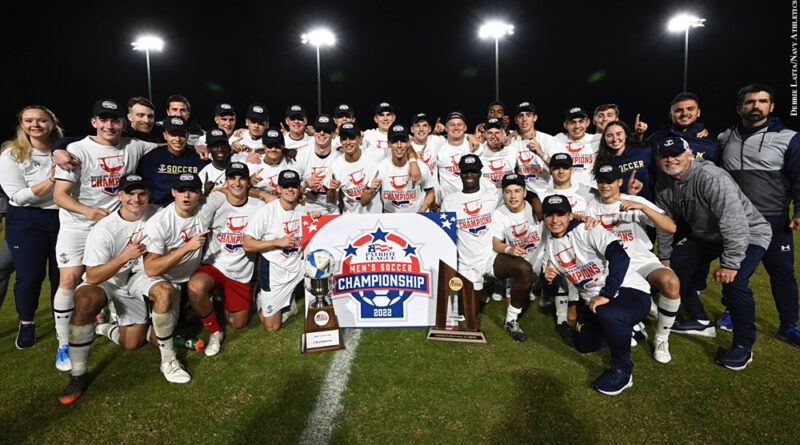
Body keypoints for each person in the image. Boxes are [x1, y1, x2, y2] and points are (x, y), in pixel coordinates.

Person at [52, 99, 158, 371]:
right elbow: (59, 196)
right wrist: (88, 211)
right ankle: (64, 343)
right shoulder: (76, 150)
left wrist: (200, 147)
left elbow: (167, 147)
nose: (110, 125)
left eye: (115, 120)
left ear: (124, 123)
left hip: (115, 226)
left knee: (116, 273)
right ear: (94, 122)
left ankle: (113, 320)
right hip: (79, 225)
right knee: (71, 278)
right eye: (104, 120)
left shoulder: (133, 145)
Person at [654, 136, 772, 370]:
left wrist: (730, 264)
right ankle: (699, 320)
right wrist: (665, 255)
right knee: (675, 270)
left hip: (749, 233)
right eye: (665, 156)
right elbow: (665, 222)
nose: (671, 160)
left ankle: (743, 345)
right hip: (706, 235)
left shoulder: (710, 177)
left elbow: (734, 223)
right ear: (658, 160)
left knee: (735, 284)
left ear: (689, 155)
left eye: (676, 154)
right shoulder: (663, 184)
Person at [57, 175, 158, 404]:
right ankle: (78, 373)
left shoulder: (158, 214)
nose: (136, 199)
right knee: (85, 301)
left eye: (141, 193)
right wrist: (124, 257)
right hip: (107, 281)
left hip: (135, 283)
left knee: (132, 344)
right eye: (130, 194)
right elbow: (92, 275)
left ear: (148, 195)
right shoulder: (105, 228)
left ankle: (103, 327)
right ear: (119, 196)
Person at [541, 194, 650, 396]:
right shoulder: (549, 246)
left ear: (570, 215)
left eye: (560, 214)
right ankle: (629, 328)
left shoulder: (587, 229)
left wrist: (607, 293)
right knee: (584, 345)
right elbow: (552, 291)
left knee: (607, 312)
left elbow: (620, 256)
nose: (555, 220)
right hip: (596, 302)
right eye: (549, 215)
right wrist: (548, 280)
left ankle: (623, 372)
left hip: (630, 291)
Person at [717, 83, 800, 346]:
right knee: (733, 270)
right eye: (750, 102)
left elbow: (799, 178)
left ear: (771, 106)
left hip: (774, 219)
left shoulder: (788, 138)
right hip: (736, 221)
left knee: (783, 274)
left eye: (762, 101)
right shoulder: (724, 138)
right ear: (739, 107)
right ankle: (732, 312)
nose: (756, 106)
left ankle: (788, 325)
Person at [587, 163, 680, 363]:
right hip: (612, 266)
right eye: (601, 181)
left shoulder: (635, 202)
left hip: (641, 260)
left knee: (671, 282)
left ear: (619, 182)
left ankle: (662, 338)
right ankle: (635, 321)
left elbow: (670, 227)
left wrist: (644, 208)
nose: (605, 185)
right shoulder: (591, 206)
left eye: (610, 181)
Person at [441, 155, 533, 342]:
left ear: (480, 173)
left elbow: (518, 190)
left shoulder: (492, 194)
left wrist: (536, 202)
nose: (469, 174)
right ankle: (479, 290)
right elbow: (445, 238)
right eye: (466, 171)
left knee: (524, 268)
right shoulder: (450, 202)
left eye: (473, 170)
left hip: (491, 258)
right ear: (460, 173)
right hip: (467, 264)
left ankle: (511, 320)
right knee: (471, 324)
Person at [129, 173, 210, 383]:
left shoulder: (203, 211)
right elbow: (150, 268)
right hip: (152, 277)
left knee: (158, 337)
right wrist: (187, 248)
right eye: (181, 190)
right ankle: (168, 361)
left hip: (180, 279)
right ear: (173, 192)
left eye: (192, 190)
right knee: (165, 294)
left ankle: (115, 325)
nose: (186, 195)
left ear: (200, 194)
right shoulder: (160, 222)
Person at [0, 105, 63, 349]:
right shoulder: (11, 154)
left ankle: (62, 322)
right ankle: (27, 323)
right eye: (29, 120)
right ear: (22, 124)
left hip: (61, 217)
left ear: (52, 123)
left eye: (41, 120)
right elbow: (17, 197)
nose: (35, 125)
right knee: (30, 276)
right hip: (26, 219)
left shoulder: (63, 149)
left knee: (62, 276)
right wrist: (51, 181)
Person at [188, 162, 264, 357]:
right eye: (232, 178)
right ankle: (215, 332)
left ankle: (231, 295)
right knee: (195, 288)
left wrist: (261, 194)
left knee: (238, 323)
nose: (237, 183)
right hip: (215, 265)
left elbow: (279, 206)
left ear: (248, 182)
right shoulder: (215, 202)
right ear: (226, 181)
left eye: (242, 178)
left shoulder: (258, 206)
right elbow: (193, 222)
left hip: (241, 272)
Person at [243, 169, 318, 332]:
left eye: (293, 186)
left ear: (299, 189)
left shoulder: (304, 210)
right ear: (279, 189)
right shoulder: (266, 212)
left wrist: (316, 218)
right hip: (274, 269)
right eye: (286, 186)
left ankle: (293, 299)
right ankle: (263, 298)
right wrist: (277, 242)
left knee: (325, 267)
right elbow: (247, 244)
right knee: (271, 326)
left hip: (298, 266)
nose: (290, 189)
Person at [489, 174, 555, 340]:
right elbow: (496, 243)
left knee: (557, 281)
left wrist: (583, 218)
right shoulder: (499, 213)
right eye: (508, 192)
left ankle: (559, 314)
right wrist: (509, 249)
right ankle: (511, 320)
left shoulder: (536, 208)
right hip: (520, 262)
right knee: (515, 300)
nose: (513, 196)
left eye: (517, 191)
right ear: (503, 194)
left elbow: (564, 216)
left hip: (541, 258)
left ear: (525, 193)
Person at [136, 116, 209, 206]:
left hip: (191, 210)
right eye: (173, 134)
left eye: (182, 134)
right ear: (165, 135)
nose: (178, 139)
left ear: (187, 135)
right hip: (157, 211)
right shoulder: (150, 159)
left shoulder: (200, 159)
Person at [371, 124, 435, 213]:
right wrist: (370, 190)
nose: (399, 145)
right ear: (389, 143)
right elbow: (365, 199)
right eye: (395, 141)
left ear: (408, 143)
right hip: (389, 221)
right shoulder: (381, 167)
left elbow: (430, 192)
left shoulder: (421, 167)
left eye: (403, 141)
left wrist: (423, 210)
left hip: (415, 220)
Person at [325, 122, 382, 214]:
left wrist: (412, 162)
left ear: (359, 139)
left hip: (374, 220)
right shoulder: (336, 165)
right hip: (350, 221)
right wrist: (331, 190)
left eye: (351, 138)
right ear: (340, 141)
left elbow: (399, 148)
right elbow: (332, 201)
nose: (348, 142)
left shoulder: (374, 156)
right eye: (344, 139)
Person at [647, 92, 719, 164]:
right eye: (678, 110)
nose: (684, 113)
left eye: (690, 109)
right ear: (670, 115)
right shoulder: (656, 139)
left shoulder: (711, 142)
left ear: (698, 112)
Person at [594, 121, 654, 201]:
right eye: (609, 136)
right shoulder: (604, 163)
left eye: (619, 134)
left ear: (626, 135)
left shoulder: (642, 151)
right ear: (604, 138)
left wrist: (639, 134)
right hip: (623, 207)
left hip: (650, 204)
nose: (615, 139)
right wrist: (629, 194)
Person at [510, 101, 559, 201]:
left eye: (528, 115)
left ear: (535, 118)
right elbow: (492, 130)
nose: (524, 119)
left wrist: (541, 153)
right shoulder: (512, 140)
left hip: (548, 192)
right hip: (525, 196)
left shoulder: (547, 139)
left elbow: (558, 168)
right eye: (521, 116)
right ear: (516, 120)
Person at [296, 115, 340, 215]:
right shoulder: (301, 155)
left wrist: (332, 190)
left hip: (330, 212)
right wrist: (305, 184)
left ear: (333, 134)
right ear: (314, 132)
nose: (322, 133)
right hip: (306, 210)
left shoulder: (339, 159)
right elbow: (288, 192)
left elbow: (333, 200)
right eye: (318, 130)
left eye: (326, 130)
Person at [553, 107, 601, 187]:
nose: (577, 126)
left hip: (591, 192)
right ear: (565, 125)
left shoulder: (597, 139)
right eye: (572, 122)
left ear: (588, 122)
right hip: (565, 191)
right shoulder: (557, 140)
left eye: (581, 121)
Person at [247, 126, 296, 199]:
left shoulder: (291, 161)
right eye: (269, 146)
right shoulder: (253, 164)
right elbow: (239, 189)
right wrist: (249, 182)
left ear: (283, 146)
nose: (273, 149)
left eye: (277, 146)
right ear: (263, 145)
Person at [479, 118, 517, 185]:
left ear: (503, 133)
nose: (493, 136)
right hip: (487, 193)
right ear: (484, 134)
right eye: (489, 133)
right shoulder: (478, 151)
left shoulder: (513, 148)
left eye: (497, 132)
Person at [198, 129, 233, 193]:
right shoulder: (204, 174)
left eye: (222, 144)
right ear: (209, 148)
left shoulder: (240, 165)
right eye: (215, 146)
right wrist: (206, 193)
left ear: (228, 146)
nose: (220, 149)